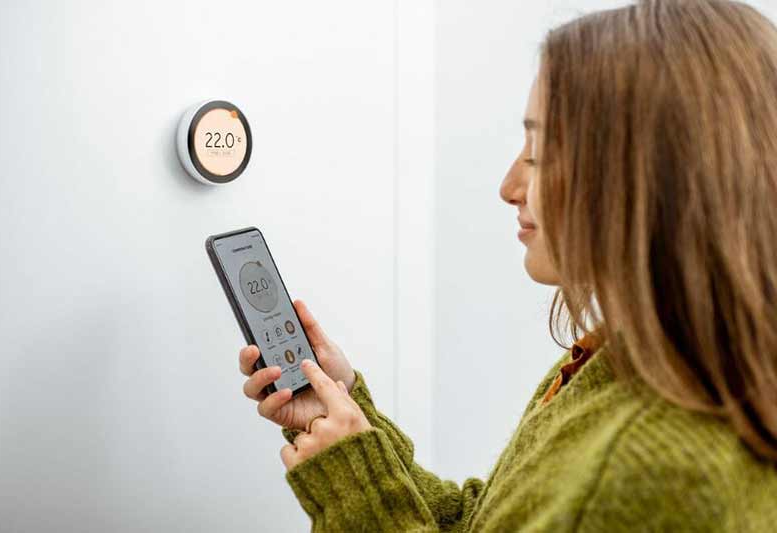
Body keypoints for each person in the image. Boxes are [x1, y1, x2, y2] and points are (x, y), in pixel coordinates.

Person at [239, 0, 777, 530]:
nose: (508, 187)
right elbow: (487, 521)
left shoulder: (646, 468)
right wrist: (349, 421)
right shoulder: (617, 361)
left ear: (646, 178)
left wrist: (353, 485)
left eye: (539, 154)